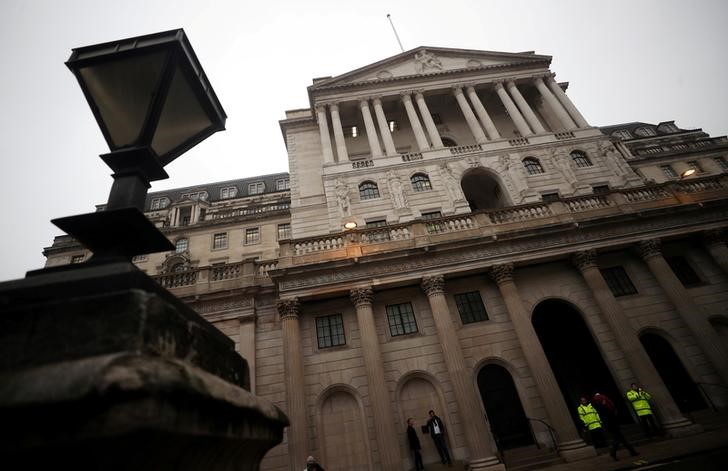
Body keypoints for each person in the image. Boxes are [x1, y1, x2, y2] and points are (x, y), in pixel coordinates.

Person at [592, 392, 639, 461]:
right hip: (612, 425)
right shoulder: (604, 407)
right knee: (618, 440)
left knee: (622, 439)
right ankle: (613, 452)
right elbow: (610, 415)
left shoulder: (598, 406)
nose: (604, 399)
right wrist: (609, 408)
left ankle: (632, 452)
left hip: (609, 425)